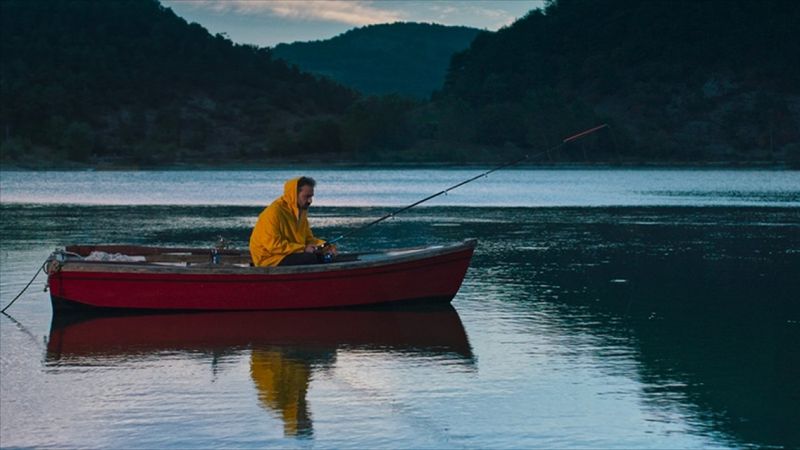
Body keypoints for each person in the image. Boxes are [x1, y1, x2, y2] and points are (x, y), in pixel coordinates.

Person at [249, 176, 336, 267]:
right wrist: (303, 249)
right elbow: (273, 246)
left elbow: (308, 239)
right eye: (306, 197)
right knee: (310, 258)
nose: (310, 201)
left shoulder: (301, 212)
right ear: (294, 194)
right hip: (270, 259)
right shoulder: (274, 213)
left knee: (324, 255)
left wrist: (325, 246)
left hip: (289, 253)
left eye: (311, 196)